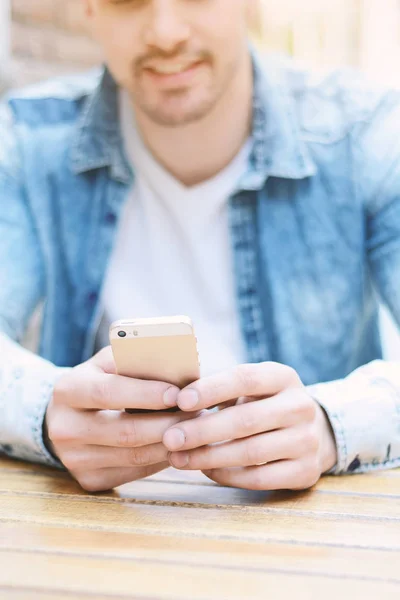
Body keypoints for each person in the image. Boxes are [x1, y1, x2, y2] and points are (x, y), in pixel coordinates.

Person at [0, 0, 399, 493]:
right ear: (88, 8)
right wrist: (44, 413)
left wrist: (328, 426)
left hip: (304, 540)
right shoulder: (27, 140)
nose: (165, 33)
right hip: (94, 532)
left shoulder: (366, 132)